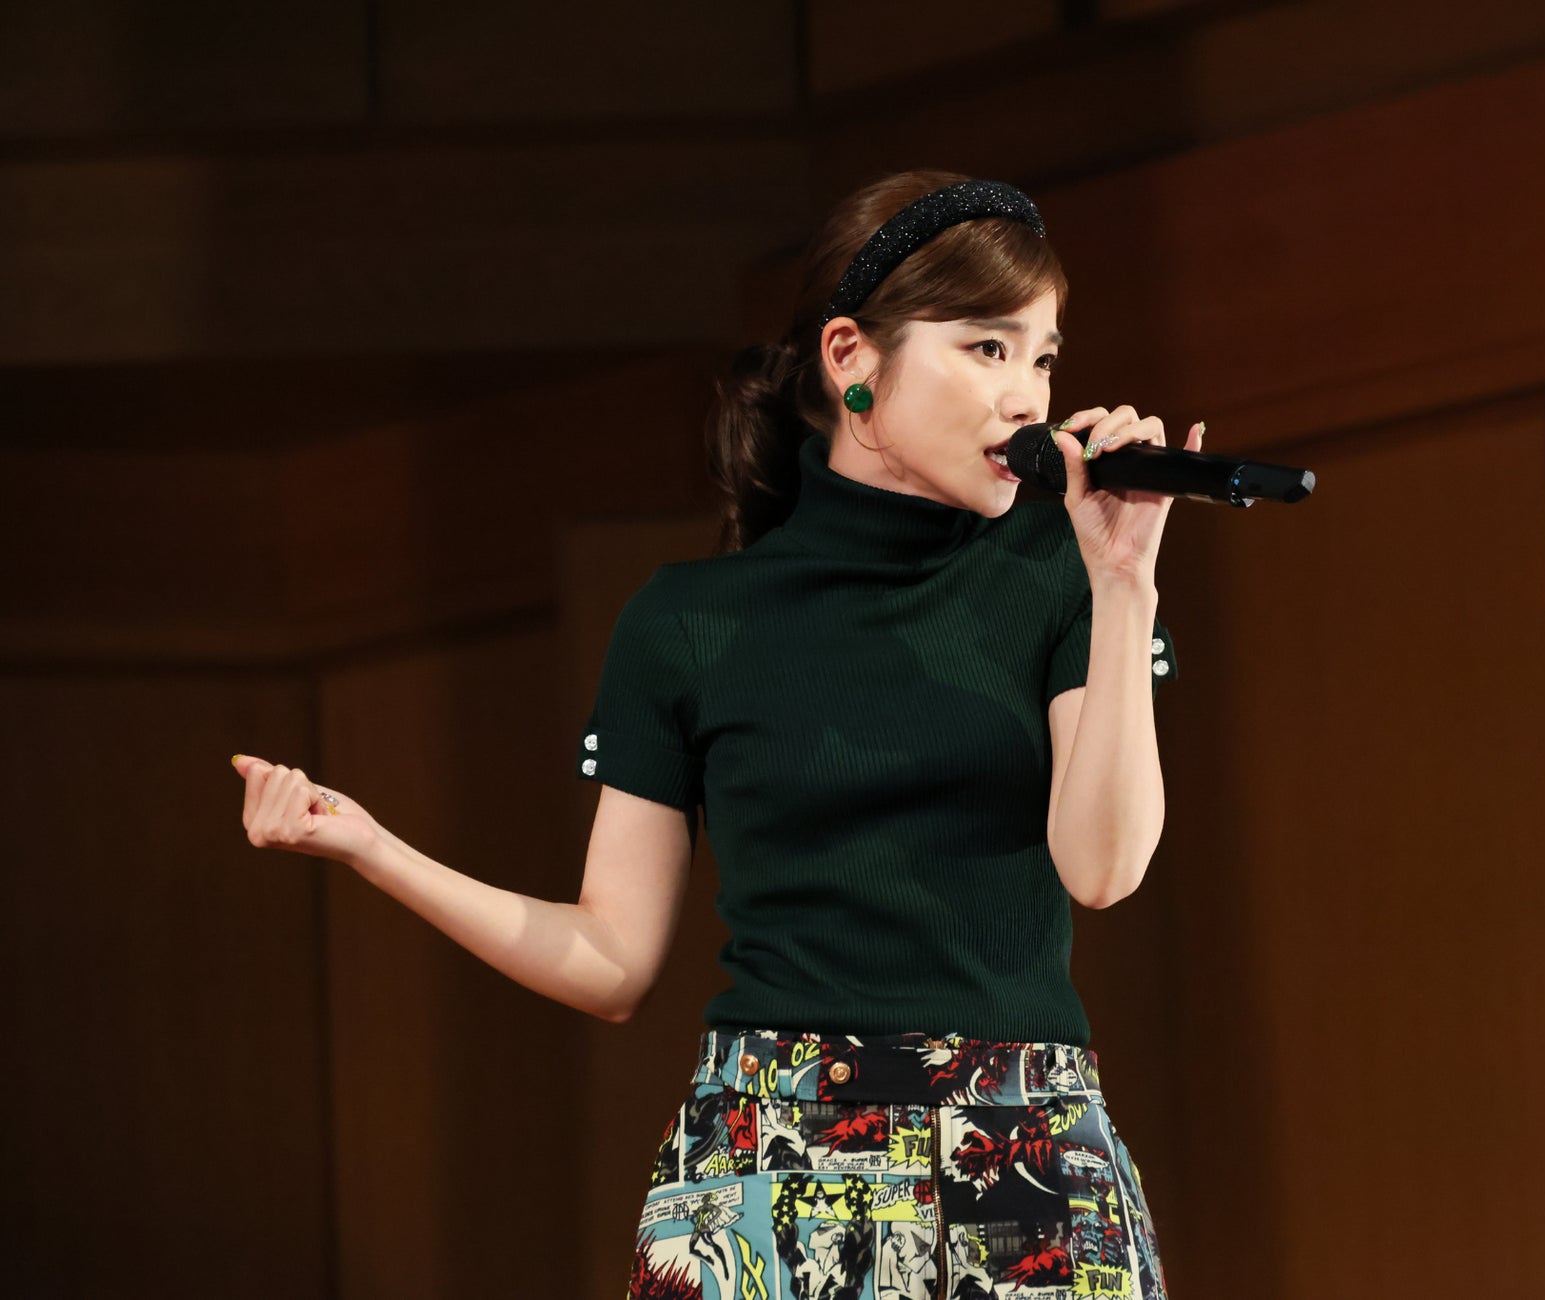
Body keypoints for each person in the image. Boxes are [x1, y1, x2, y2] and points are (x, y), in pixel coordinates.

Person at [231, 169, 1196, 1300]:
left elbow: (1104, 869)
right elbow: (611, 959)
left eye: (1043, 357)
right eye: (988, 348)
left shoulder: (1060, 577)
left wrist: (1124, 585)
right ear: (851, 357)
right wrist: (369, 845)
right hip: (770, 1154)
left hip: (1021, 1155)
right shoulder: (688, 623)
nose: (1027, 396)